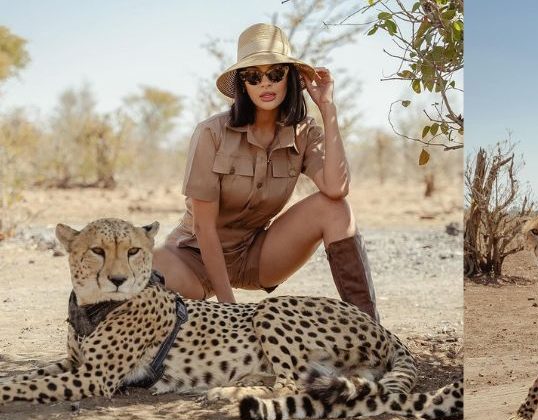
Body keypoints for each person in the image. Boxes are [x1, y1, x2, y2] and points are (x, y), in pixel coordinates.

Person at [152, 23, 378, 321]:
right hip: (192, 258)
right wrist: (230, 311)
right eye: (253, 76)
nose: (265, 84)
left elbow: (336, 188)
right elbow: (204, 229)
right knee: (144, 270)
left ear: (291, 77)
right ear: (243, 84)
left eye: (275, 74)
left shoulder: (304, 133)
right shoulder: (211, 133)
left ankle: (370, 330)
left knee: (336, 208)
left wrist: (327, 108)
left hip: (254, 254)